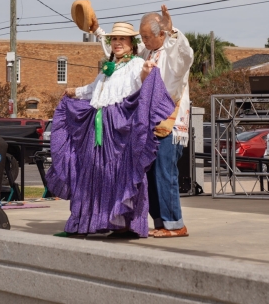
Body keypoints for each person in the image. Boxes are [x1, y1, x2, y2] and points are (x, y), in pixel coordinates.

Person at [45, 22, 175, 238]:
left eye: (122, 39)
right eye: (114, 39)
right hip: (99, 126)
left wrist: (145, 74)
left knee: (118, 173)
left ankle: (124, 223)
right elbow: (93, 90)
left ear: (132, 44)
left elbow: (140, 86)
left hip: (120, 127)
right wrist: (73, 92)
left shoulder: (137, 64)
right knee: (95, 171)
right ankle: (91, 221)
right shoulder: (108, 67)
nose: (117, 43)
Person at [92, 5, 194, 238]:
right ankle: (161, 222)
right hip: (150, 123)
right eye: (142, 37)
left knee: (164, 172)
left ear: (161, 34)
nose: (144, 40)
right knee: (149, 173)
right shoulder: (146, 55)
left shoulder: (172, 51)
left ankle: (175, 225)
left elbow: (187, 54)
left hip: (171, 121)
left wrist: (174, 31)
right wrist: (99, 32)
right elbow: (120, 53)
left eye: (147, 36)